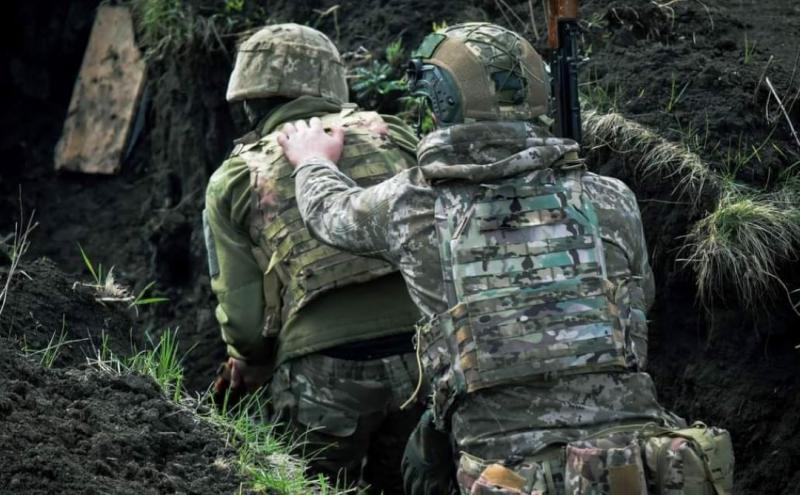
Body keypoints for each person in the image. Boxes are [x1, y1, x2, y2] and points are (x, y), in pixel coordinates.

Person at [277, 23, 734, 495]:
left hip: (508, 474)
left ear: (440, 102)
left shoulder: (413, 204)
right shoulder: (609, 197)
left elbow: (327, 213)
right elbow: (640, 303)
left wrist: (313, 160)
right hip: (637, 464)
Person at [203, 23, 425, 494]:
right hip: (425, 352)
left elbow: (245, 322)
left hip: (323, 368)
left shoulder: (234, 178)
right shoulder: (395, 134)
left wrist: (250, 359)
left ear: (246, 99)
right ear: (333, 83)